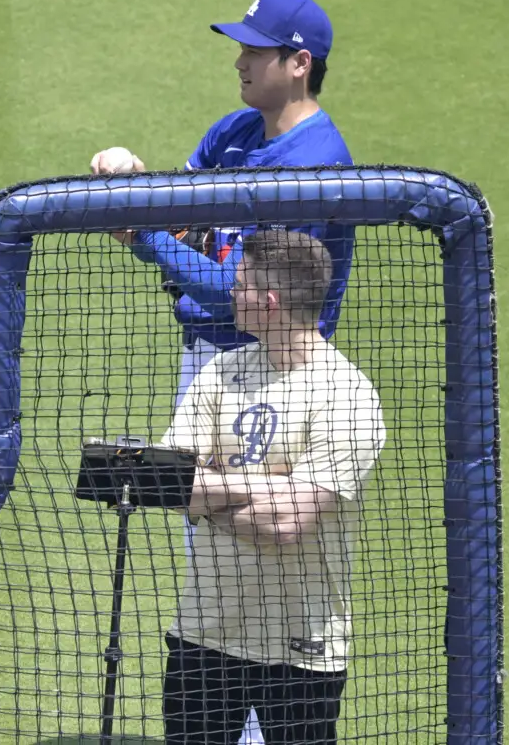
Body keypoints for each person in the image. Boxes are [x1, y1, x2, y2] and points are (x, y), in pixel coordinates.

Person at [158, 230, 385, 744]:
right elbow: (169, 484)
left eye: (240, 284)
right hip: (204, 634)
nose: (230, 292)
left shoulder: (346, 395)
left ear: (270, 301)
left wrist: (209, 489)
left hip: (300, 648)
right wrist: (271, 484)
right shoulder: (222, 372)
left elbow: (286, 524)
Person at [90, 0, 356, 407]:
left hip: (277, 371)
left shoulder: (314, 168)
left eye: (254, 51)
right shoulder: (233, 132)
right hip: (205, 354)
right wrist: (138, 194)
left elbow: (236, 293)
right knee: (180, 472)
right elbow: (179, 233)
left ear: (300, 63)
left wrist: (142, 229)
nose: (239, 62)